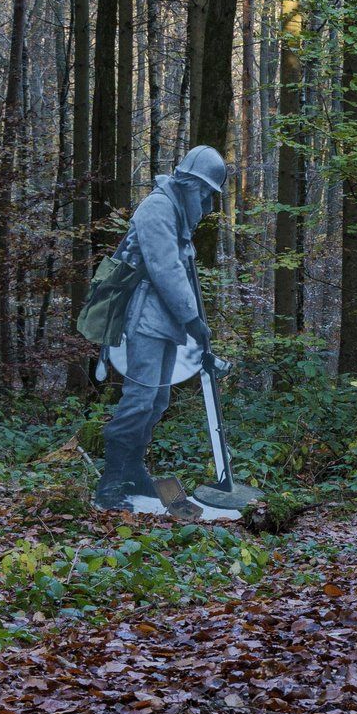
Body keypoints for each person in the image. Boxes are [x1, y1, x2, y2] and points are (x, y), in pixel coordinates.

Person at [93, 146, 228, 512]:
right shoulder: (157, 208)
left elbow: (182, 275)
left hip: (164, 322)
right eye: (204, 193)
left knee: (157, 401)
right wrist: (193, 320)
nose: (206, 202)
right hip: (146, 321)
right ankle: (111, 484)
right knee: (139, 401)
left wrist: (192, 321)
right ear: (189, 183)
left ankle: (133, 471)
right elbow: (165, 270)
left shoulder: (176, 213)